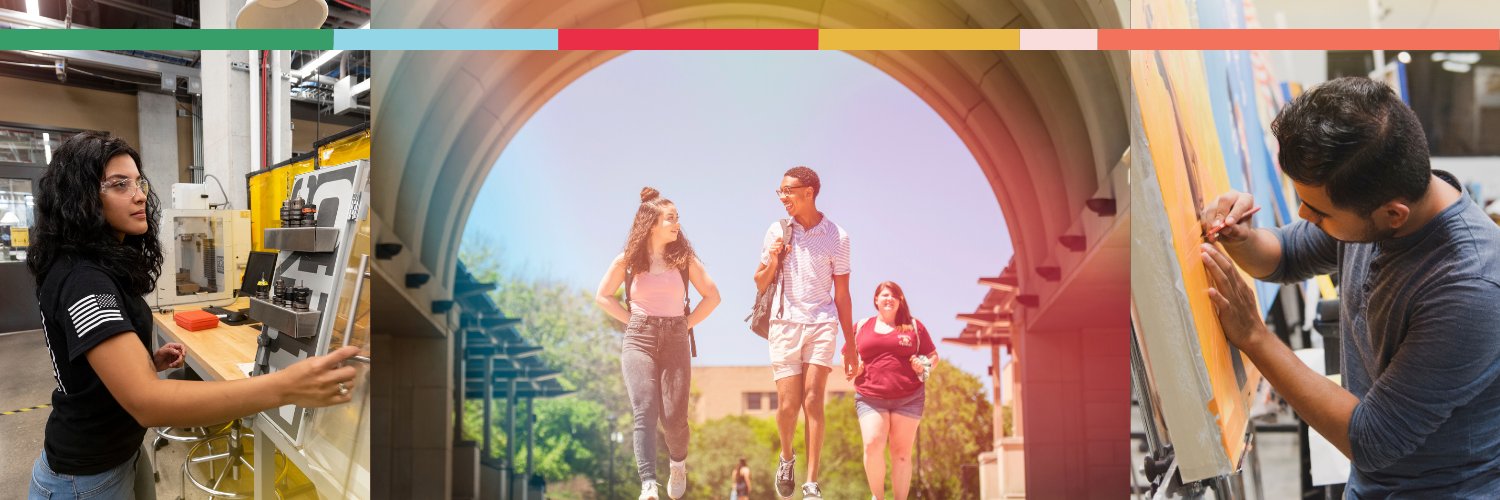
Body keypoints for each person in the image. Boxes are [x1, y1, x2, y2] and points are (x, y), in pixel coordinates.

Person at [1199, 77, 1500, 495]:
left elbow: (1372, 439)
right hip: (1374, 484)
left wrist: (1254, 337)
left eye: (1318, 211)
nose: (1303, 215)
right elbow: (1286, 255)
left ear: (1392, 215)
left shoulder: (1471, 288)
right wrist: (1243, 238)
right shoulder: (1377, 198)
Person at [27, 132, 360, 500]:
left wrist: (141, 362)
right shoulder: (84, 280)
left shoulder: (95, 267)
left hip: (118, 453)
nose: (139, 195)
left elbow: (87, 363)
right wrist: (286, 387)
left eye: (138, 182)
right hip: (86, 476)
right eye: (119, 185)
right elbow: (148, 403)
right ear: (81, 197)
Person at [595, 187, 721, 500]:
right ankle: (648, 483)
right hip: (638, 339)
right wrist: (633, 321)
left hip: (676, 339)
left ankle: (678, 464)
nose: (677, 224)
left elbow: (713, 297)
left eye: (677, 218)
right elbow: (603, 296)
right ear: (652, 224)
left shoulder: (684, 260)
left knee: (675, 420)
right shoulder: (627, 260)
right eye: (671, 218)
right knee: (645, 410)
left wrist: (684, 324)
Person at [753, 166, 854, 500]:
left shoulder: (837, 237)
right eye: (779, 192)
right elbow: (759, 281)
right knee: (787, 405)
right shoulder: (777, 231)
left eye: (788, 191)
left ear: (808, 192)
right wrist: (775, 256)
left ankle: (811, 482)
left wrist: (850, 344)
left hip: (822, 323)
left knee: (813, 399)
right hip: (784, 324)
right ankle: (787, 457)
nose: (783, 197)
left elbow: (842, 294)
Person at [850, 282, 936, 500]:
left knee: (901, 454)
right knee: (871, 445)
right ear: (876, 300)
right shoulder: (861, 326)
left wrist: (923, 365)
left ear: (900, 301)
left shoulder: (914, 326)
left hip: (909, 398)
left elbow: (934, 356)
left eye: (894, 295)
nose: (889, 299)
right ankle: (878, 497)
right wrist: (853, 368)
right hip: (870, 396)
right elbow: (847, 355)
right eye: (884, 295)